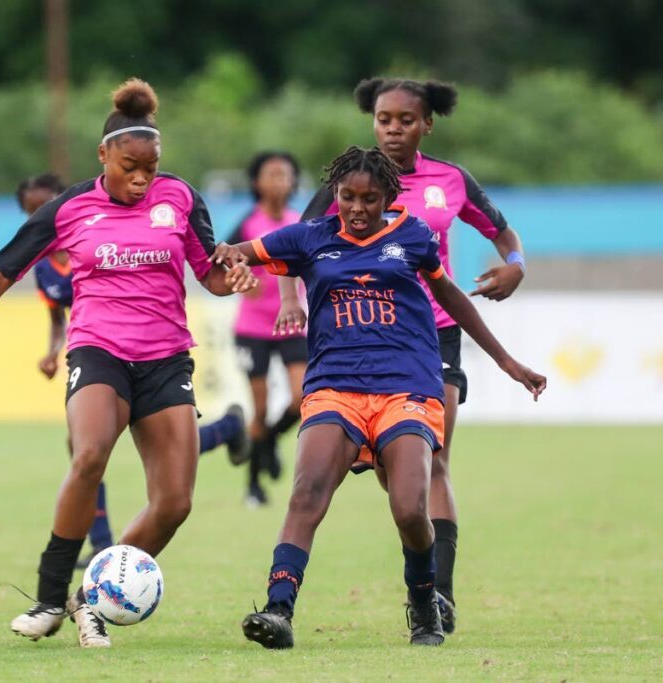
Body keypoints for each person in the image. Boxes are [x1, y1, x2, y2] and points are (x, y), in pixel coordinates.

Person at [0, 79, 257, 649]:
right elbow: (5, 270)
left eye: (151, 166)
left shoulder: (179, 198)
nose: (142, 178)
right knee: (90, 454)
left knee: (174, 503)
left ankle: (91, 602)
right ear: (103, 156)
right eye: (130, 166)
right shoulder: (70, 208)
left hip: (166, 358)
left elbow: (210, 272)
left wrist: (239, 270)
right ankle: (52, 596)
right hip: (98, 350)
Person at [211, 146, 545, 648]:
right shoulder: (310, 238)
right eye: (348, 197)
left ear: (389, 196)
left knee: (410, 508)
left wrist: (507, 361)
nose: (358, 208)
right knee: (307, 494)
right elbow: (236, 252)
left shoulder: (412, 235)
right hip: (335, 387)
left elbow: (450, 296)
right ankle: (278, 610)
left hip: (406, 387)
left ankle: (424, 604)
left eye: (370, 198)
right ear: (336, 196)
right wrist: (228, 260)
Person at [276, 77, 528, 633]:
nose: (393, 128)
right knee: (386, 480)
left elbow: (503, 233)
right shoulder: (352, 180)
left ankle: (439, 596)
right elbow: (296, 245)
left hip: (432, 337)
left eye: (405, 120)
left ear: (427, 125)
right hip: (357, 345)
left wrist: (516, 263)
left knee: (430, 465)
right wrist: (291, 299)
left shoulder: (451, 181)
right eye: (384, 119)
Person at [15, 172, 248, 569]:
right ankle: (102, 544)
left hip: (151, 352)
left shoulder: (96, 232)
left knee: (164, 460)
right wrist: (52, 351)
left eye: (45, 205)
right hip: (96, 356)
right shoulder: (44, 267)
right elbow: (57, 318)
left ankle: (226, 429)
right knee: (85, 450)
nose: (41, 213)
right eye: (32, 210)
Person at [227, 152, 307, 507]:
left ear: (294, 182)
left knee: (302, 398)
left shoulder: (300, 221)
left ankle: (270, 440)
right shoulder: (247, 224)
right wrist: (240, 280)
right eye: (271, 174)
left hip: (293, 325)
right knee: (257, 410)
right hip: (253, 328)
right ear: (257, 182)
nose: (278, 181)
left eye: (285, 174)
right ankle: (253, 485)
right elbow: (222, 260)